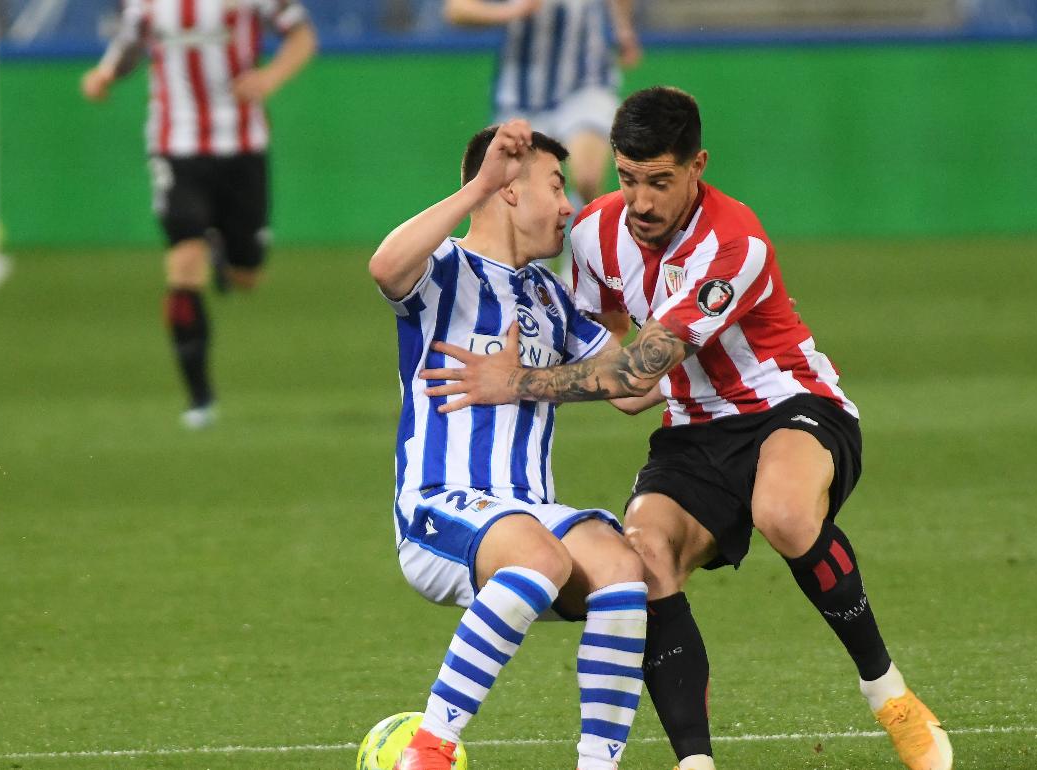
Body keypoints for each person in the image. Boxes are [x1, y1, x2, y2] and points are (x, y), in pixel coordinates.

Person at [418, 87, 954, 770]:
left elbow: (636, 373)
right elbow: (612, 362)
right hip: (692, 428)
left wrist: (516, 381)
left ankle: (890, 695)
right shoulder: (594, 234)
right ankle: (694, 763)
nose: (640, 201)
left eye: (660, 182)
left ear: (698, 165)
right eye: (627, 178)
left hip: (788, 404)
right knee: (643, 557)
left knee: (783, 512)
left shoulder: (735, 247)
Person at [368, 120, 655, 770]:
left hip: (529, 511)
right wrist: (478, 187)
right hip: (440, 506)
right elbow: (383, 266)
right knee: (538, 557)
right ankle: (430, 750)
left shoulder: (551, 296)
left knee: (622, 568)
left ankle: (597, 765)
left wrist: (695, 317)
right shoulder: (443, 271)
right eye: (555, 186)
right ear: (508, 190)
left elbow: (634, 388)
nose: (567, 205)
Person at [80, 0, 317, 429]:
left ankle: (223, 251)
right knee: (183, 264)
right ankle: (199, 398)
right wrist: (104, 74)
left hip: (243, 147)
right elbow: (131, 44)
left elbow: (302, 37)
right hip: (175, 146)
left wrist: (269, 77)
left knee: (247, 276)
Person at [444, 0, 642, 218]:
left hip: (587, 80)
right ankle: (548, 241)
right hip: (522, 94)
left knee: (587, 176)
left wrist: (622, 27)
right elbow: (457, 10)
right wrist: (511, 11)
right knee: (524, 200)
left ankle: (580, 241)